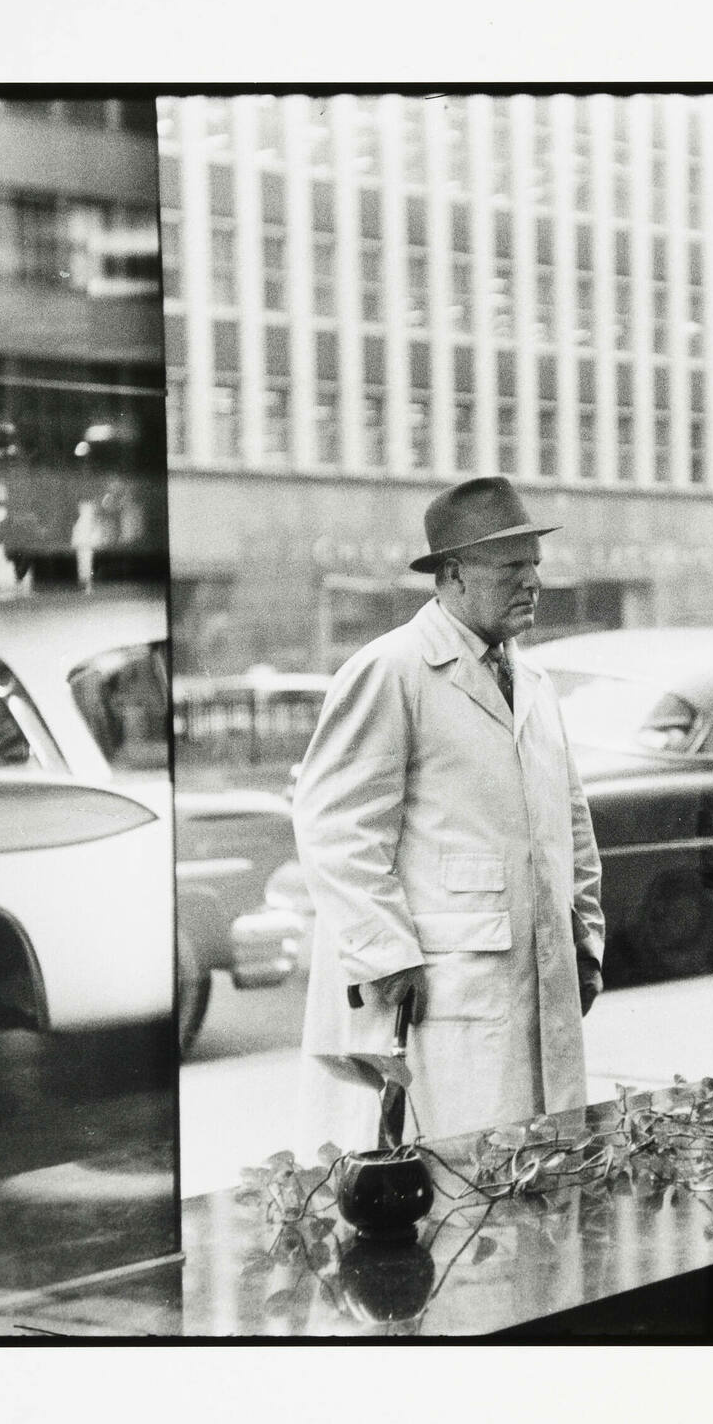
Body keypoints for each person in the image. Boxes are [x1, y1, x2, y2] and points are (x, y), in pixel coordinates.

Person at [293, 476, 606, 1151]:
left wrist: (585, 941)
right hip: (443, 991)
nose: (532, 583)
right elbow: (335, 828)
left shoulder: (536, 682)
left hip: (536, 979)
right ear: (455, 575)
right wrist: (386, 954)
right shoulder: (392, 670)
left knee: (541, 1174)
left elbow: (569, 822)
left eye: (535, 566)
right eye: (511, 567)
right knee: (457, 1181)